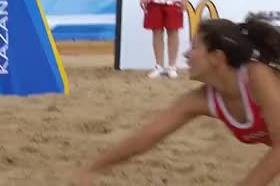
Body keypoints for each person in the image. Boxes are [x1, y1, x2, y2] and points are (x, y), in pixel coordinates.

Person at [75, 16, 280, 185]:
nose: (186, 54)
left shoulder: (257, 77)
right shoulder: (201, 99)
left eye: (194, 47)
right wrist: (94, 167)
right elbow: (147, 137)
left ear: (217, 57)